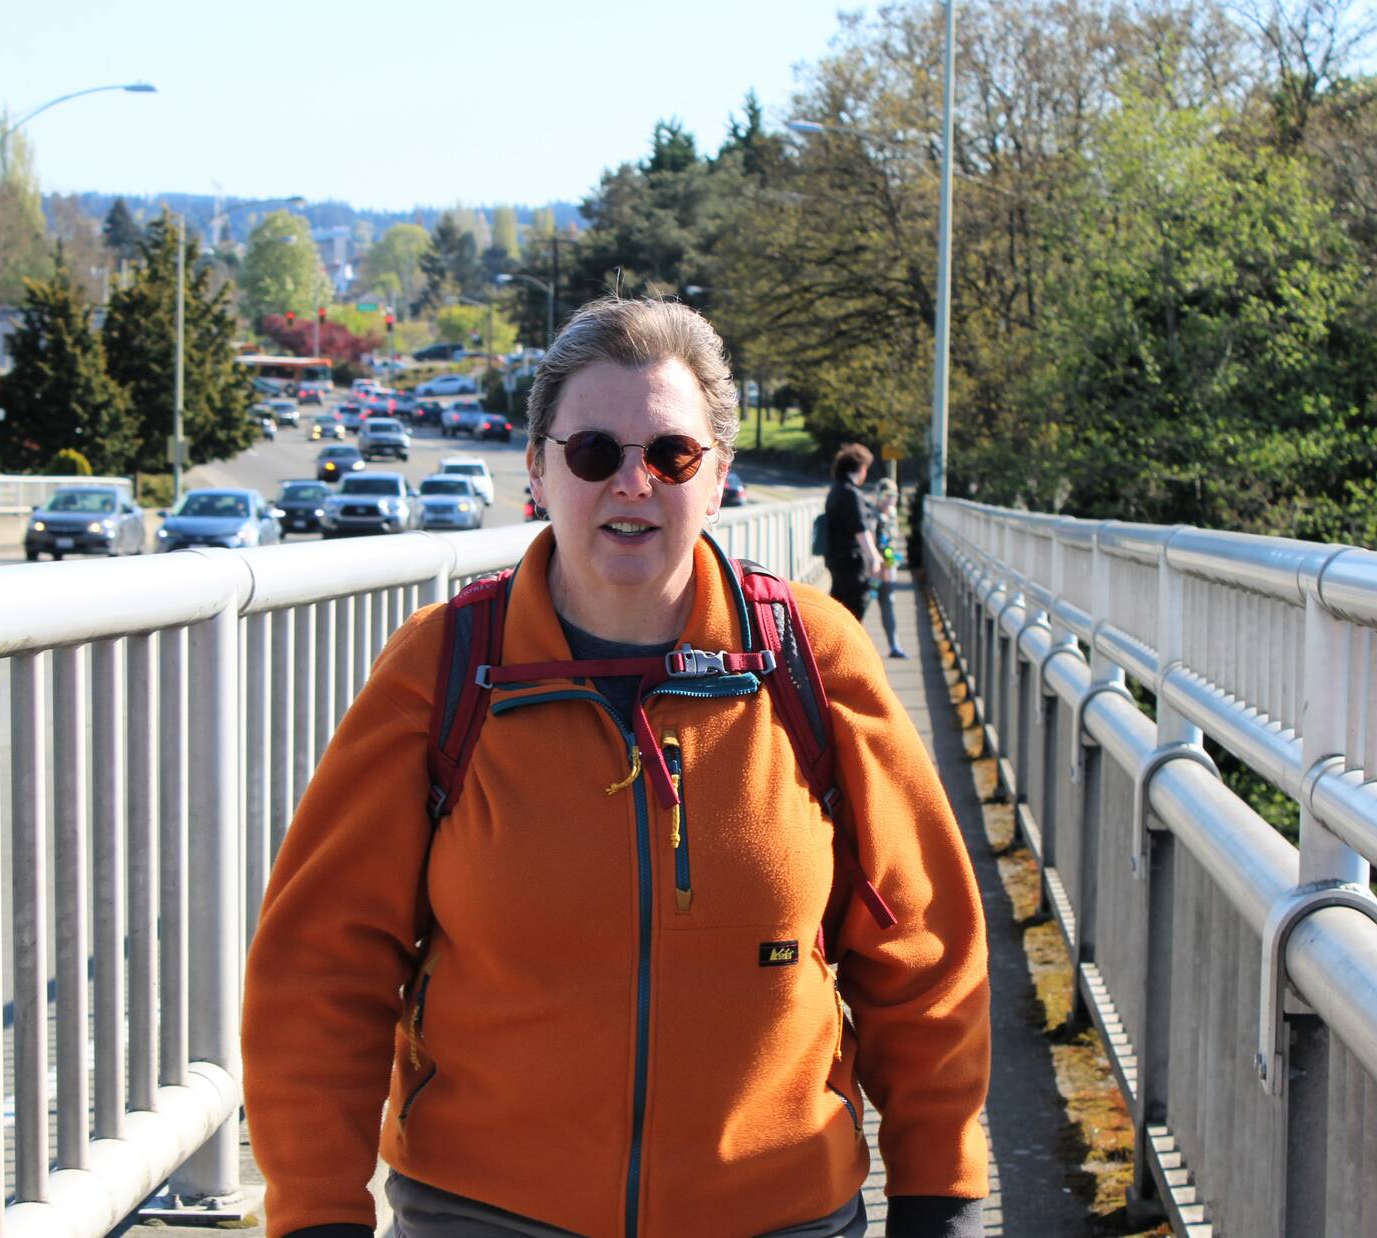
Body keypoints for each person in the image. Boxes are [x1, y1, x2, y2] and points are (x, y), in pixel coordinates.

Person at [243, 297, 990, 1238]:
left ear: (719, 476)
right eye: (594, 452)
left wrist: (941, 1195)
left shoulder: (811, 659)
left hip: (778, 1210)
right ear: (538, 469)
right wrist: (316, 1214)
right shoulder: (443, 669)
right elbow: (319, 970)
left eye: (671, 455)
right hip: (487, 1213)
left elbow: (923, 956)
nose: (632, 484)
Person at [825, 444, 883, 620]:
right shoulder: (852, 494)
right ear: (861, 468)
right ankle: (848, 646)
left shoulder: (835, 490)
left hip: (835, 558)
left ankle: (835, 645)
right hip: (852, 561)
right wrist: (873, 557)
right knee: (857, 604)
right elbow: (860, 529)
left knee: (838, 606)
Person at [872, 477, 907, 658]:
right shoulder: (873, 515)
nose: (890, 500)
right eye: (886, 495)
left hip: (888, 567)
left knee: (889, 603)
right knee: (861, 605)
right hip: (873, 569)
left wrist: (892, 560)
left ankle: (894, 645)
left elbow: (893, 542)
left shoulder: (892, 514)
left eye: (893, 496)